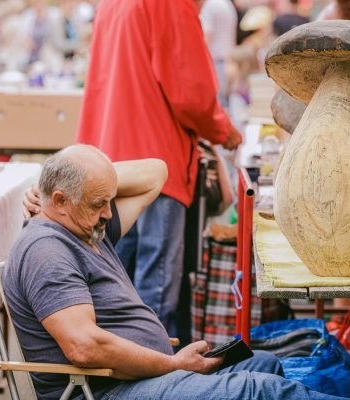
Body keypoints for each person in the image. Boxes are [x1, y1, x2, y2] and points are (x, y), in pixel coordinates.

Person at [9, 144, 349, 400]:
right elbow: (84, 347)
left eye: (108, 201)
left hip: (139, 377)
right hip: (106, 391)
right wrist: (172, 365)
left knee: (263, 363)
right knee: (259, 389)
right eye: (99, 203)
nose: (108, 213)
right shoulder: (48, 249)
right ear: (60, 201)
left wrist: (75, 179)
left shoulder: (86, 228)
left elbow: (155, 173)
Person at [76, 0, 242, 337]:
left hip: (110, 159)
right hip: (156, 164)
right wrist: (224, 131)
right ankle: (156, 377)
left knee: (115, 281)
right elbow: (191, 93)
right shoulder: (171, 4)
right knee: (157, 287)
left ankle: (123, 373)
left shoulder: (111, 5)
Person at [200, 0, 239, 107]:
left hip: (216, 63)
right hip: (228, 60)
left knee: (219, 105)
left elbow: (207, 37)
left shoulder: (208, 5)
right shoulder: (226, 3)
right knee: (227, 105)